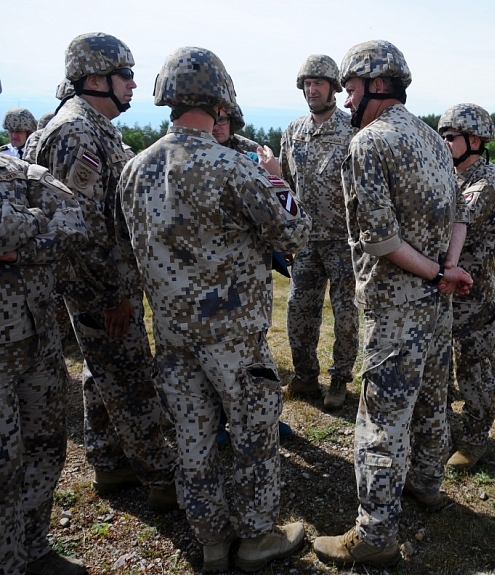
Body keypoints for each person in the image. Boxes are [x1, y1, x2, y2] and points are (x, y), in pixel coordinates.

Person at [117, 46, 312, 572]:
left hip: (172, 335)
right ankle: (255, 537)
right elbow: (294, 231)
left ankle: (209, 540)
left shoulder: (134, 170)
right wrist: (275, 176)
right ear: (221, 99)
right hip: (233, 339)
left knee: (193, 438)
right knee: (253, 434)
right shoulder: (231, 167)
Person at [312, 40, 472, 568]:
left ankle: (375, 531)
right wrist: (447, 271)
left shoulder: (367, 143)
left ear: (376, 86)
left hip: (397, 303)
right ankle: (427, 485)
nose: (344, 100)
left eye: (350, 88)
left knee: (381, 416)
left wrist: (434, 273)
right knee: (429, 399)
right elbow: (457, 216)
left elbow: (379, 240)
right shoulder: (431, 138)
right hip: (435, 303)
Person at [36, 32, 177, 509]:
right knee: (133, 379)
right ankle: (163, 477)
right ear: (95, 78)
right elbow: (82, 229)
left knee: (103, 375)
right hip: (101, 286)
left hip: (109, 282)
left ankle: (110, 463)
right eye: (126, 75)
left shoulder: (98, 127)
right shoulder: (77, 132)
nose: (134, 84)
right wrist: (110, 296)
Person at [0, 76, 90, 575]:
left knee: (44, 446)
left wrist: (20, 244)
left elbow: (74, 220)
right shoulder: (21, 179)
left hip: (36, 338)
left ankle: (33, 548)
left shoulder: (16, 170)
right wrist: (32, 220)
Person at [438, 103, 495, 471]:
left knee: (472, 368)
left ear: (475, 140)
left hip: (472, 294)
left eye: (450, 137)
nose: (444, 142)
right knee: (457, 363)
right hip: (455, 288)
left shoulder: (485, 185)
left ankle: (475, 439)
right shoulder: (459, 177)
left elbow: (450, 224)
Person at [280, 54, 359, 410]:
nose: (312, 90)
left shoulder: (352, 130)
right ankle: (305, 377)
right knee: (299, 310)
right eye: (307, 84)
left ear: (333, 89)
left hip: (343, 241)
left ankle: (340, 379)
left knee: (346, 316)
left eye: (319, 84)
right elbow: (284, 184)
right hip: (306, 241)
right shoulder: (293, 131)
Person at [211, 103, 293, 440]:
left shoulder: (251, 152)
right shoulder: (189, 153)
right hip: (207, 270)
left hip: (248, 271)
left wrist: (275, 173)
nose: (217, 127)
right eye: (212, 119)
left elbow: (281, 203)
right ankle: (215, 421)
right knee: (211, 348)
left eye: (224, 120)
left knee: (253, 346)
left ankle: (261, 418)